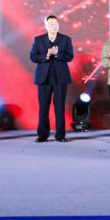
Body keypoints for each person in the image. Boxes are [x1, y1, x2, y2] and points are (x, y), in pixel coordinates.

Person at [30, 15, 74, 143]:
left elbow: (69, 56)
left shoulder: (66, 39)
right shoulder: (38, 40)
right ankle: (42, 135)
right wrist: (47, 55)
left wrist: (57, 54)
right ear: (46, 25)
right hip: (43, 78)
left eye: (56, 23)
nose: (54, 26)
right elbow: (33, 57)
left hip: (60, 78)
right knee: (43, 107)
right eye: (51, 24)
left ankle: (60, 135)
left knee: (59, 107)